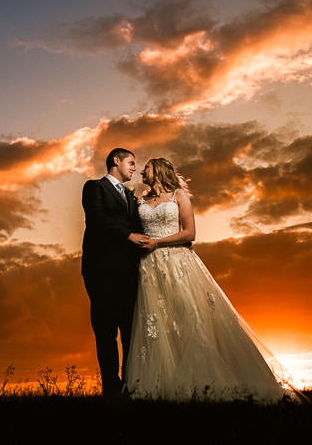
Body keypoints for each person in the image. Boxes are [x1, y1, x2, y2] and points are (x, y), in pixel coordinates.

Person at [124, 157, 296, 402]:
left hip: (178, 263)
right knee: (158, 321)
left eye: (147, 167)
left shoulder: (179, 197)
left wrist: (157, 242)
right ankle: (164, 386)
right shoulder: (141, 200)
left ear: (160, 170)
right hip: (149, 267)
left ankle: (207, 381)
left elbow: (190, 233)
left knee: (190, 316)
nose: (142, 170)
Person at [80, 147, 144, 399]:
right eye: (131, 162)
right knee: (105, 330)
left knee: (129, 330)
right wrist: (129, 235)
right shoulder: (94, 187)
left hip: (128, 272)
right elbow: (96, 218)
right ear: (115, 161)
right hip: (101, 271)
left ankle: (129, 384)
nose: (134, 168)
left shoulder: (131, 197)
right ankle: (111, 387)